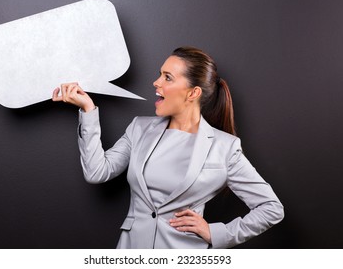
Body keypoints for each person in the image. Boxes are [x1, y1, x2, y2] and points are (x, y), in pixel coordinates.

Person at [52, 46, 284, 249]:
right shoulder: (139, 128)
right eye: (159, 74)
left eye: (168, 77)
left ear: (193, 93)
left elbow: (271, 208)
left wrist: (215, 233)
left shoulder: (225, 148)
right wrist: (88, 110)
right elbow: (97, 172)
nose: (156, 82)